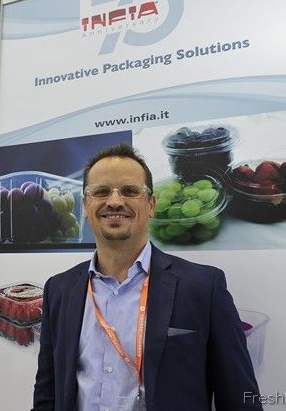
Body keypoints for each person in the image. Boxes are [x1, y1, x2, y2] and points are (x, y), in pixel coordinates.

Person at [32, 144, 262, 410]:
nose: (114, 201)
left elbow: (239, 399)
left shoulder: (203, 287)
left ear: (151, 204)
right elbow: (47, 392)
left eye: (130, 191)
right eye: (101, 191)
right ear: (85, 205)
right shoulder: (59, 290)